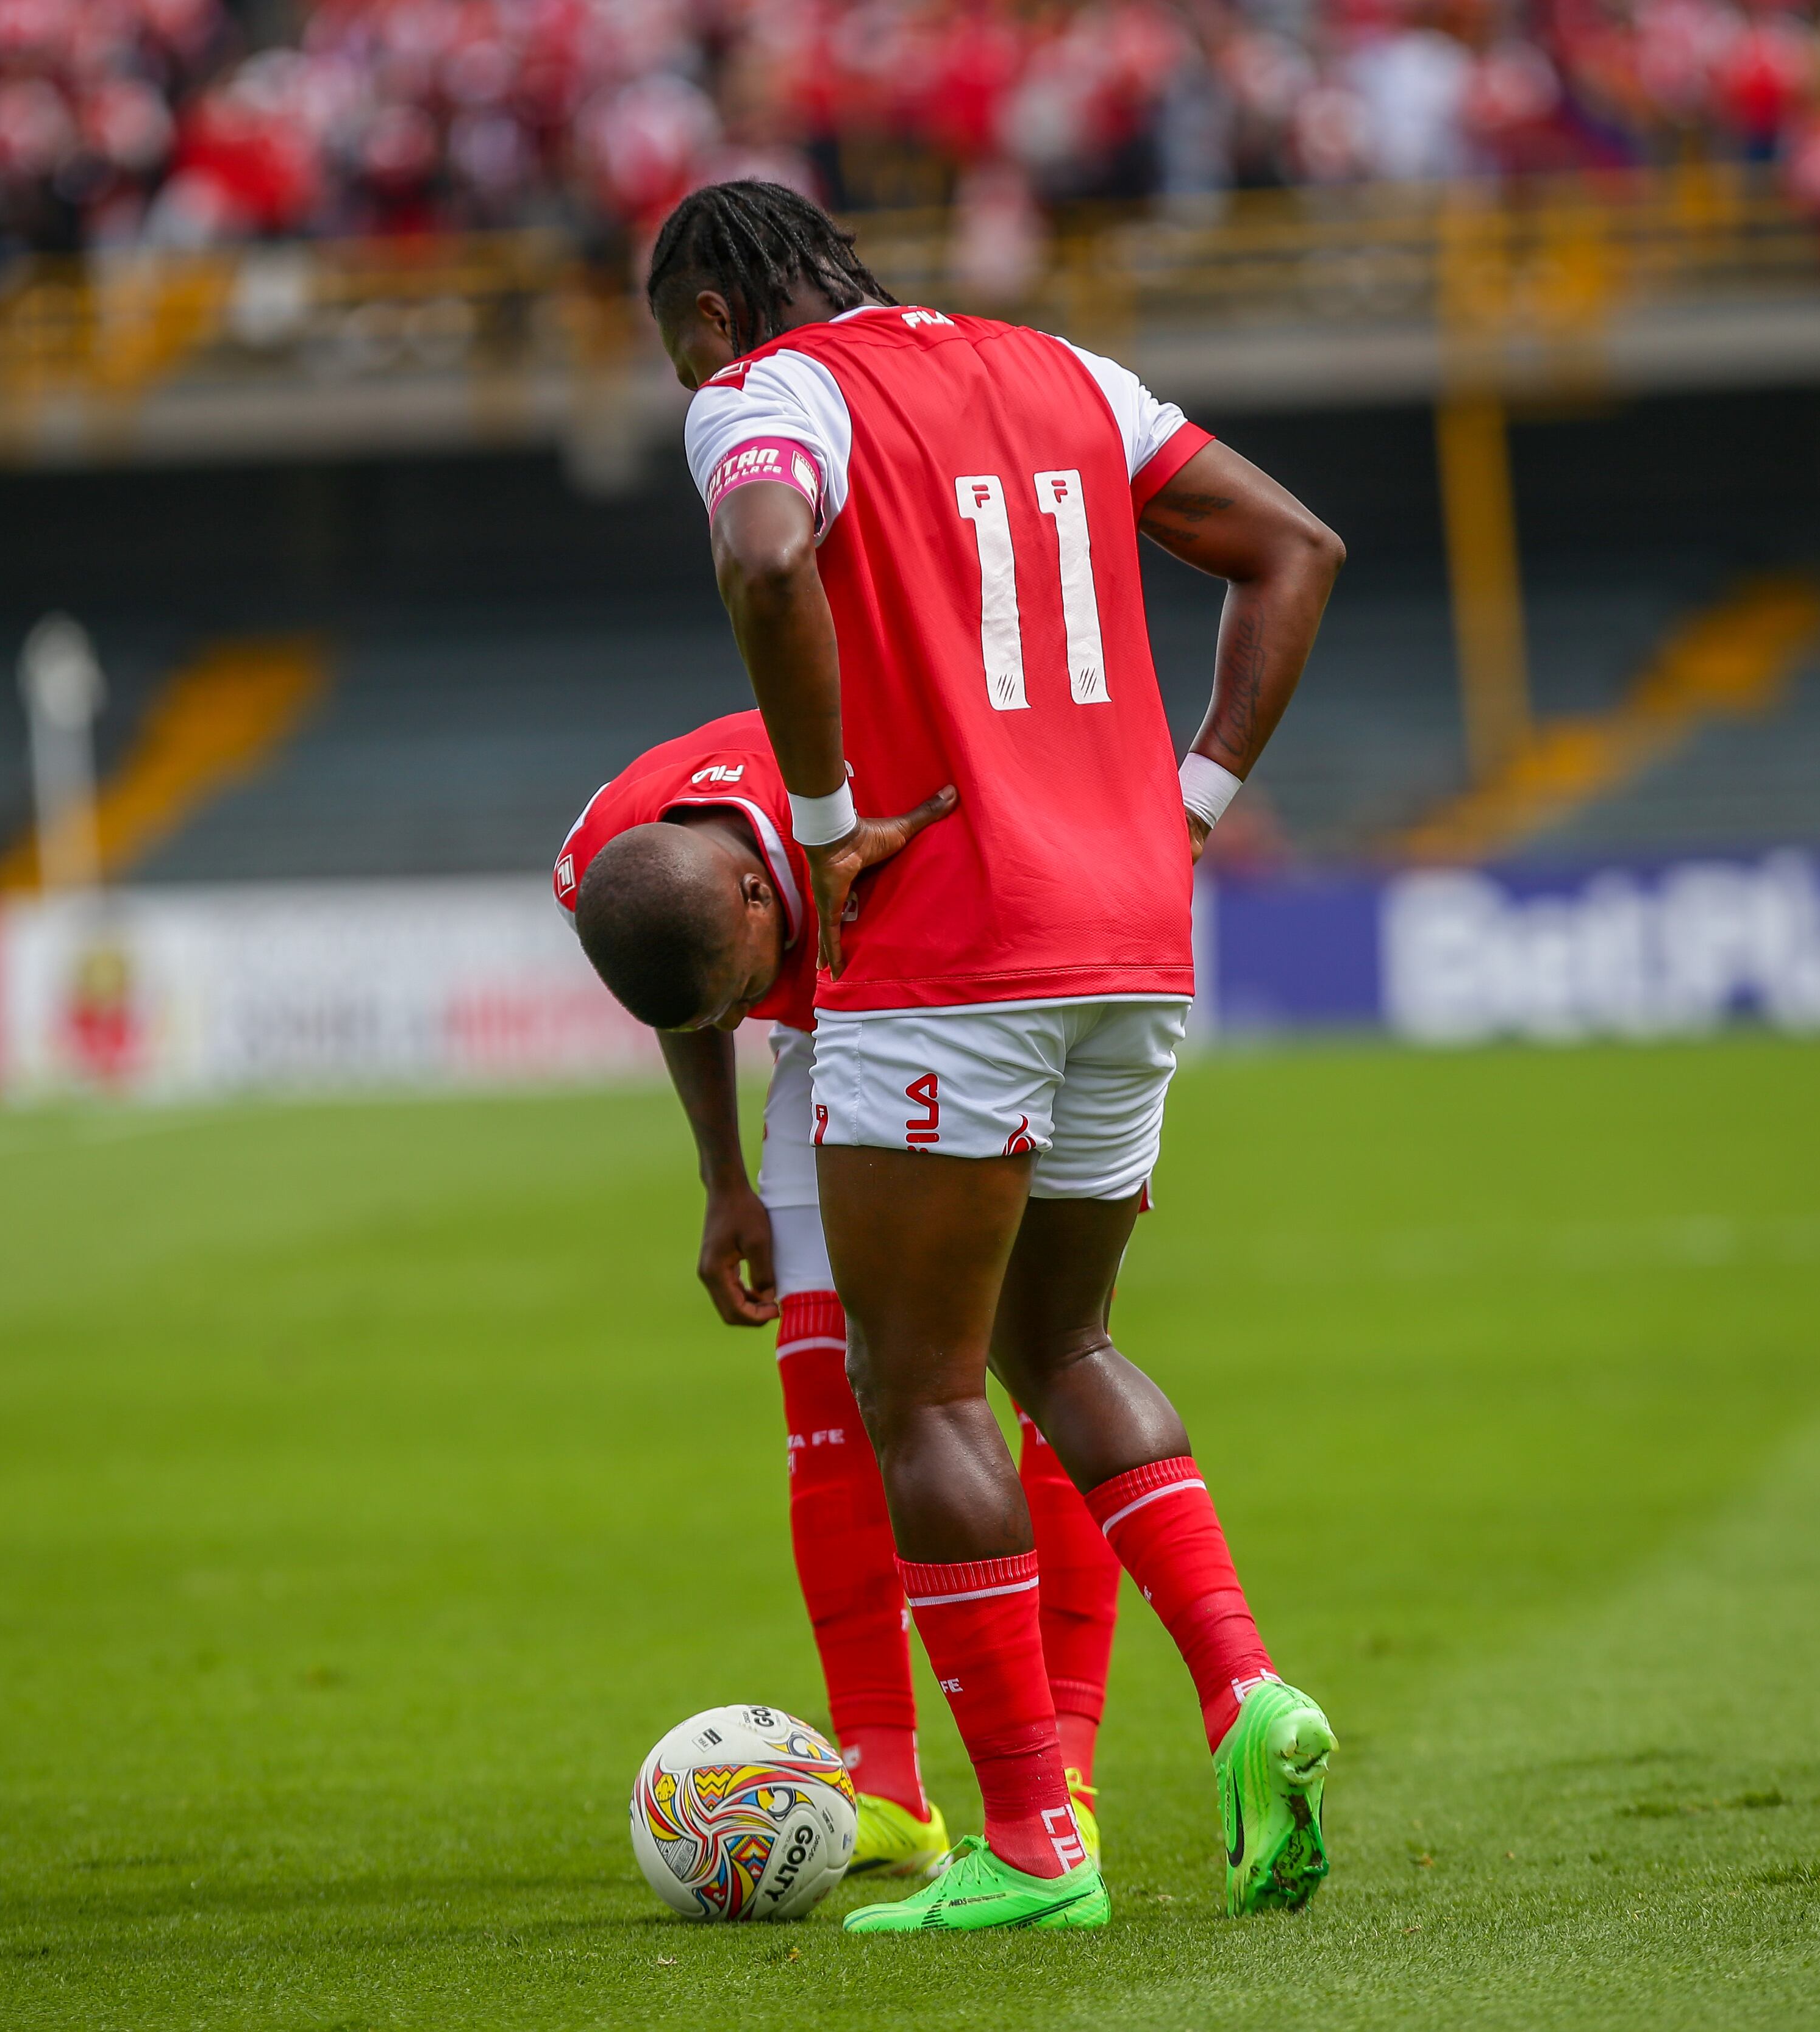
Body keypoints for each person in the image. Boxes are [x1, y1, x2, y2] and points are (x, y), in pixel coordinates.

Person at [643, 180, 1346, 1934]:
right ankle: (1248, 1695)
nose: (684, 378)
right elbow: (1296, 547)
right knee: (1067, 1340)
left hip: (953, 942)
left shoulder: (766, 399)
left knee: (925, 1384)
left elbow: (764, 553)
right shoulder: (1069, 372)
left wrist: (820, 821)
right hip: (1132, 934)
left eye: (675, 350)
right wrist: (1187, 805)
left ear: (717, 319)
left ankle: (1035, 1842)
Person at [555, 710, 1129, 1882]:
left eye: (735, 997)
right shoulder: (617, 854)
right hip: (837, 1036)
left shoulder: (888, 774)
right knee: (829, 1393)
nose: (724, 1025)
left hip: (980, 1005)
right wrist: (724, 1177)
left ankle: (1060, 1767)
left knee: (1024, 1368)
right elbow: (689, 992)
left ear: (764, 903)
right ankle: (887, 1782)